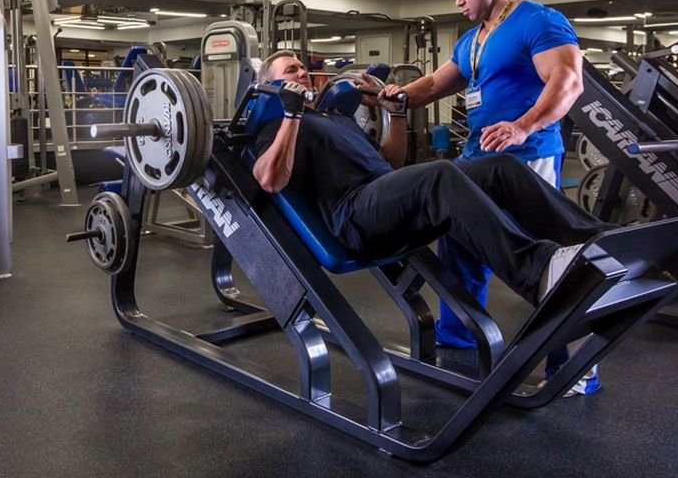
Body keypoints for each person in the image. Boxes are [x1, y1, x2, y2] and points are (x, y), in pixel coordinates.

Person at [380, 0, 600, 395]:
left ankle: (574, 367)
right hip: (476, 156)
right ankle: (458, 341)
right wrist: (394, 97)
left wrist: (524, 126)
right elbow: (432, 85)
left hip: (527, 156)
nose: (458, 0)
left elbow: (568, 81)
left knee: (543, 259)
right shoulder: (472, 40)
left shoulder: (538, 21)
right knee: (458, 245)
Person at [253, 51, 615, 317]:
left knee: (498, 167)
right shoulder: (276, 126)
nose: (302, 72)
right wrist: (290, 114)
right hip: (354, 215)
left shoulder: (337, 117)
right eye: (291, 70)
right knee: (440, 174)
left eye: (302, 66)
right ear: (272, 83)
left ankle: (597, 239)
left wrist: (395, 114)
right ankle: (537, 271)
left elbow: (390, 161)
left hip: (384, 196)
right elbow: (270, 180)